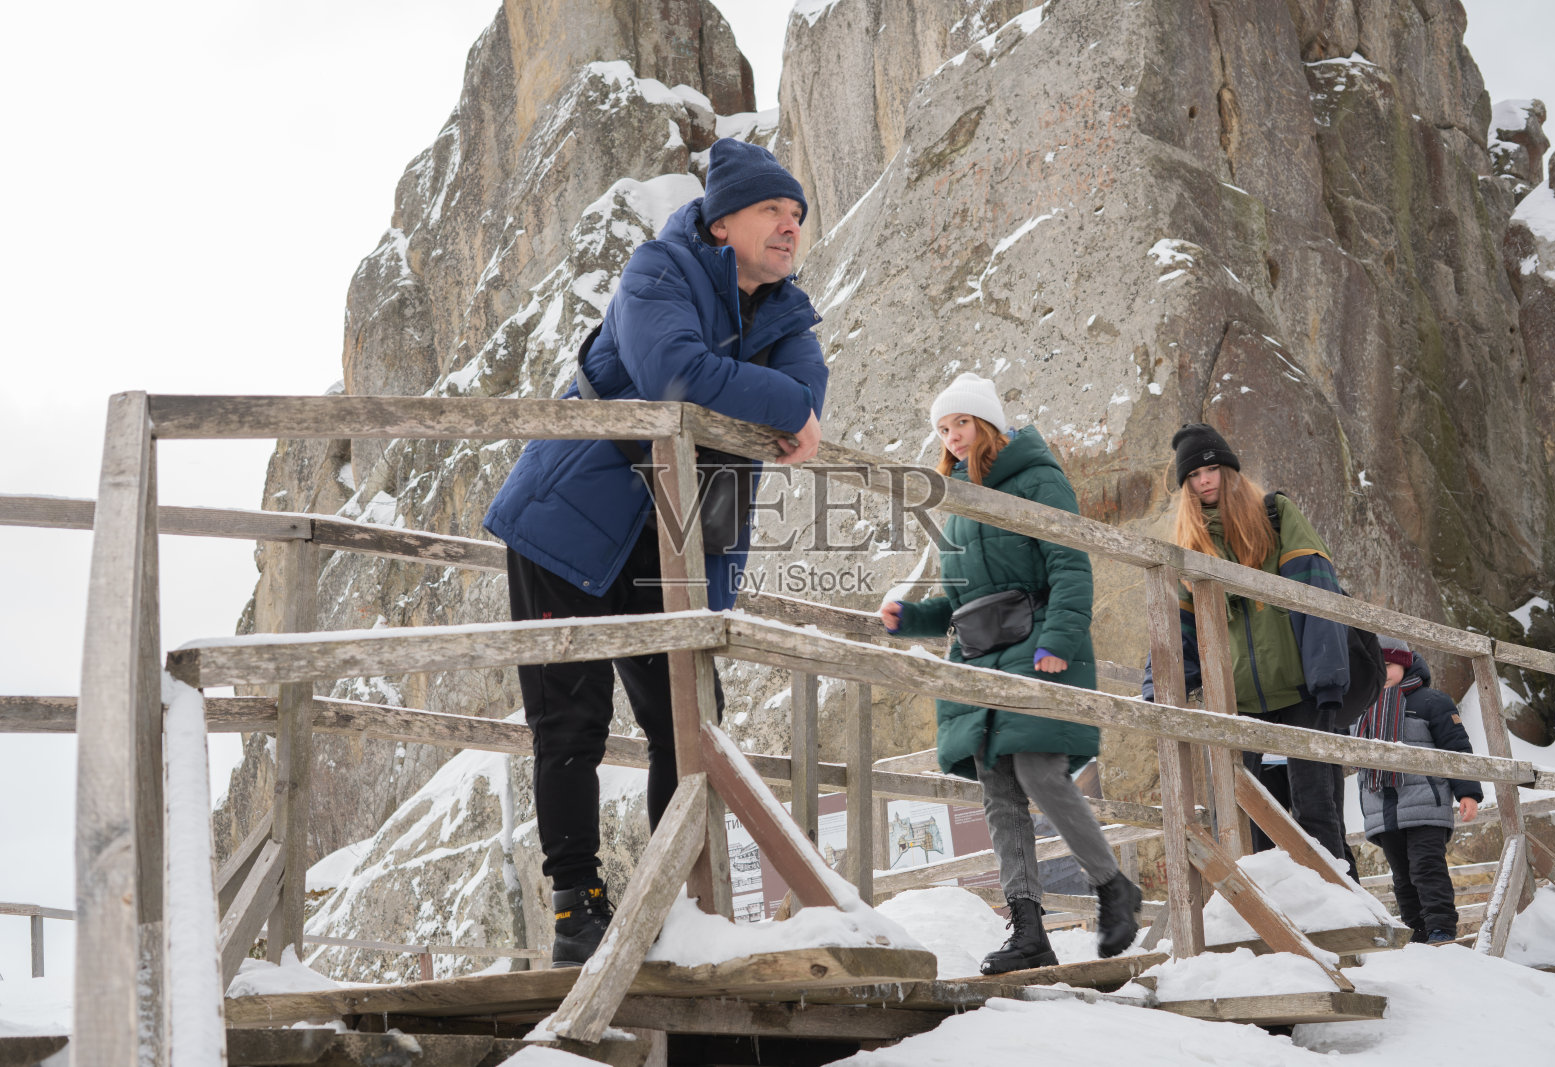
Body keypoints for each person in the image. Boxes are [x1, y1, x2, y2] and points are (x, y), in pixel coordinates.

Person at [483, 138, 829, 967]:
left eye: (796, 214)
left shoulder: (790, 314)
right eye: (772, 210)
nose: (790, 226)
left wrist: (781, 403)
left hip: (670, 542)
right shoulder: (658, 270)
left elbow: (809, 395)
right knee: (571, 721)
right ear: (722, 222)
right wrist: (779, 406)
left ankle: (675, 902)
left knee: (686, 719)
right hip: (568, 518)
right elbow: (675, 374)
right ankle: (577, 907)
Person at [880, 373, 1142, 971]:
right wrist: (911, 618)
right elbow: (959, 602)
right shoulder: (957, 502)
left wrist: (1059, 640)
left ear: (988, 423)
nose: (952, 436)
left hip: (1037, 642)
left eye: (961, 423)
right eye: (943, 428)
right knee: (998, 792)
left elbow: (1069, 563)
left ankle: (1112, 887)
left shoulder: (1038, 479)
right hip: (977, 657)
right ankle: (1028, 931)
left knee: (1038, 772)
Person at [1142, 423, 1352, 863]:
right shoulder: (1188, 546)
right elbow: (1178, 628)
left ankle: (1339, 895)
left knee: (1316, 809)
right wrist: (1157, 689)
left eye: (1211, 470)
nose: (1204, 481)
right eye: (1193, 476)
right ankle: (1268, 902)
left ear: (1229, 470)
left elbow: (1318, 591)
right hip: (1239, 699)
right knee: (1244, 816)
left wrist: (1327, 678)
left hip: (1301, 688)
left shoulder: (1275, 514)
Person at [1350, 638, 1482, 944]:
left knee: (1427, 868)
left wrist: (1467, 792)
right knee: (1402, 877)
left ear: (1405, 664)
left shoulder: (1431, 702)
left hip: (1425, 805)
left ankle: (1441, 930)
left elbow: (1457, 749)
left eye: (1388, 665)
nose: (1382, 672)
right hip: (1382, 809)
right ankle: (1416, 935)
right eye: (1375, 666)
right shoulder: (1359, 707)